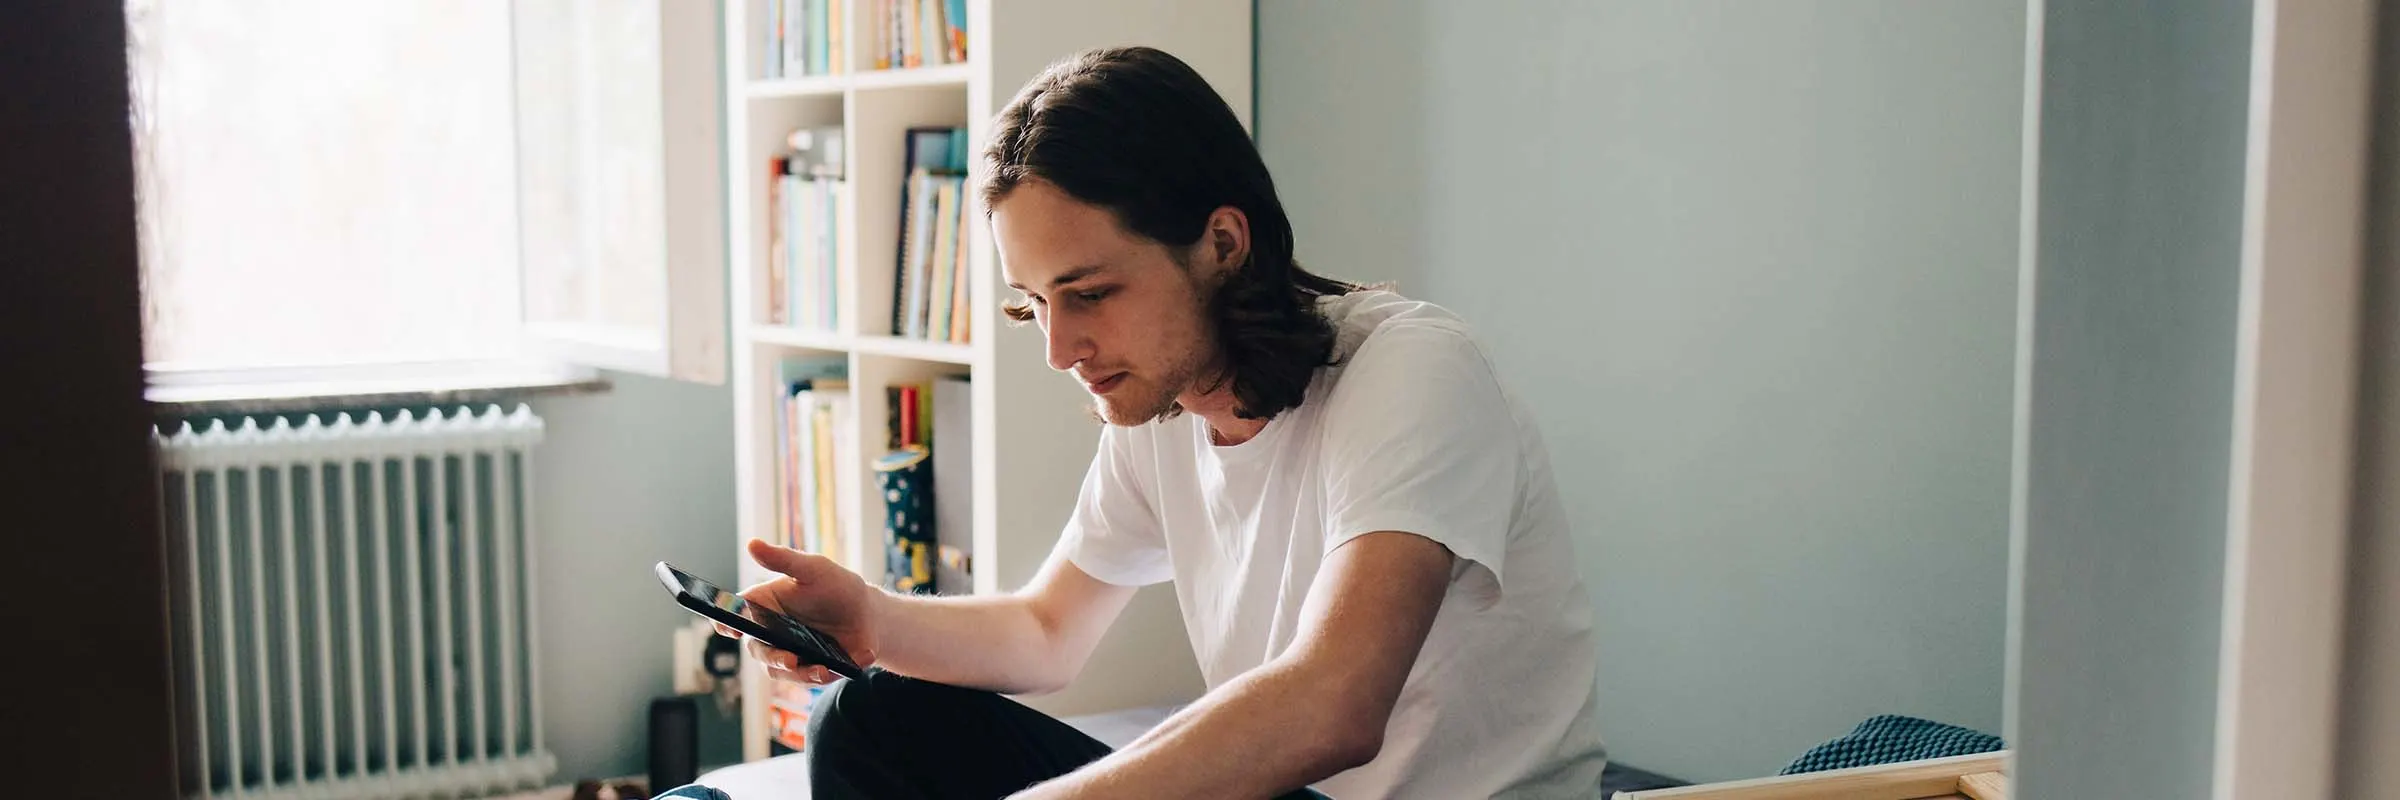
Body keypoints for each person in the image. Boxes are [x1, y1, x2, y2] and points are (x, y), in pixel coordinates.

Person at [726, 46, 1606, 799]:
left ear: (1224, 242)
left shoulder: (1412, 370)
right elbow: (1047, 632)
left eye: (1091, 293)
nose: (1061, 349)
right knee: (873, 715)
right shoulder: (1158, 411)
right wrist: (871, 621)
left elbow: (1333, 704)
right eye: (1034, 305)